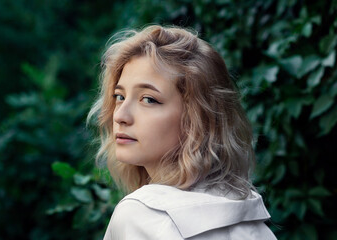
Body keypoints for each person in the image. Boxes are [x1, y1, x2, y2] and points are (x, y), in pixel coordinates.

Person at [87, 25, 277, 239]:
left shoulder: (141, 215)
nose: (120, 115)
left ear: (198, 118)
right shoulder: (255, 225)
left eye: (148, 99)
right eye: (119, 96)